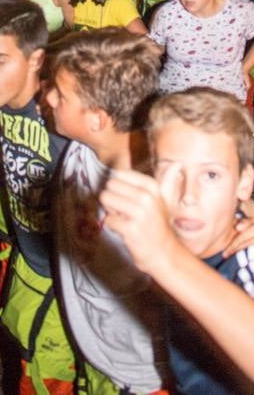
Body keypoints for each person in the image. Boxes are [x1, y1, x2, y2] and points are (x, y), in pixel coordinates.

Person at [99, 88, 254, 395]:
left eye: (211, 175)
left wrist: (166, 259)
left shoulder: (251, 257)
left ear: (244, 183)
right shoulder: (173, 233)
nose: (188, 195)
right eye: (171, 170)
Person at [0, 0, 76, 392]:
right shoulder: (3, 100)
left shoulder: (60, 116)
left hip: (68, 281)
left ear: (35, 60)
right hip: (30, 260)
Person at [46, 29, 169, 393]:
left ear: (97, 118)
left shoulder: (147, 201)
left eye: (60, 94)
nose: (48, 97)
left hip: (142, 372)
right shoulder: (85, 144)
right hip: (94, 344)